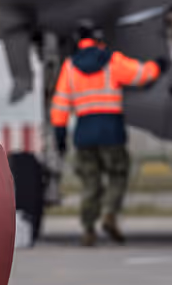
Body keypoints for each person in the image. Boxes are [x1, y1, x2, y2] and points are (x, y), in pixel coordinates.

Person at [49, 21, 166, 246]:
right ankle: (110, 214)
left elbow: (60, 105)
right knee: (118, 175)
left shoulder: (70, 67)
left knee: (90, 183)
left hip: (84, 132)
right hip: (111, 129)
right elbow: (141, 74)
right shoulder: (111, 60)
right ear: (99, 38)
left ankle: (88, 228)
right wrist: (158, 66)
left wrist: (60, 136)